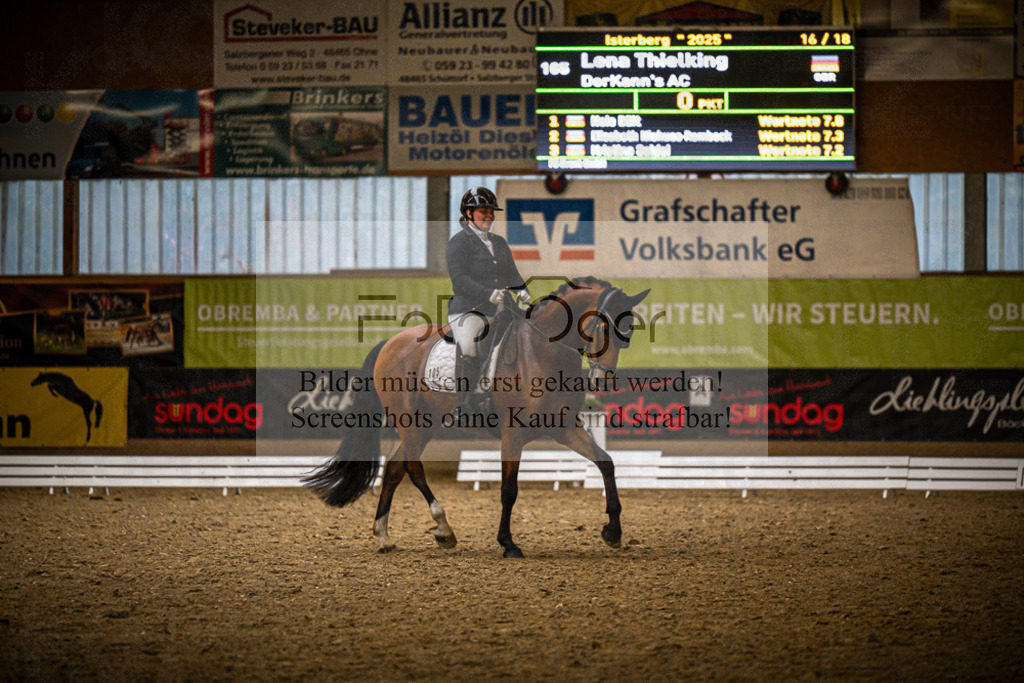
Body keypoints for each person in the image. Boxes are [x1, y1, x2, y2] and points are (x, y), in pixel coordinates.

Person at [447, 186, 530, 420]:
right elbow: (459, 279)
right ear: (469, 213)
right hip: (468, 310)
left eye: (491, 212)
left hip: (502, 307)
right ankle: (464, 405)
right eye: (484, 211)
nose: (490, 217)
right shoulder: (459, 243)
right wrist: (487, 293)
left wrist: (521, 289)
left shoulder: (499, 242)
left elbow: (511, 274)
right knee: (471, 347)